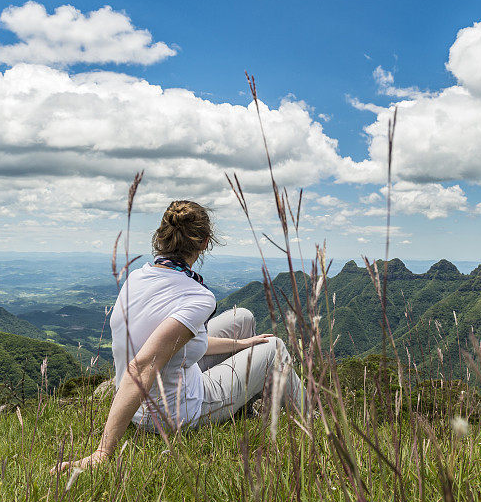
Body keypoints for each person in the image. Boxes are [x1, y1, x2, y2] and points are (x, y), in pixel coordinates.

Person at [52, 200, 303, 472]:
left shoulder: (137, 277)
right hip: (171, 413)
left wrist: (242, 344)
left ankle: (248, 405)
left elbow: (174, 345)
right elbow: (143, 365)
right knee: (275, 347)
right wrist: (103, 451)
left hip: (151, 393)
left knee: (243, 317)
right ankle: (313, 422)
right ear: (205, 242)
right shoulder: (198, 295)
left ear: (161, 236)